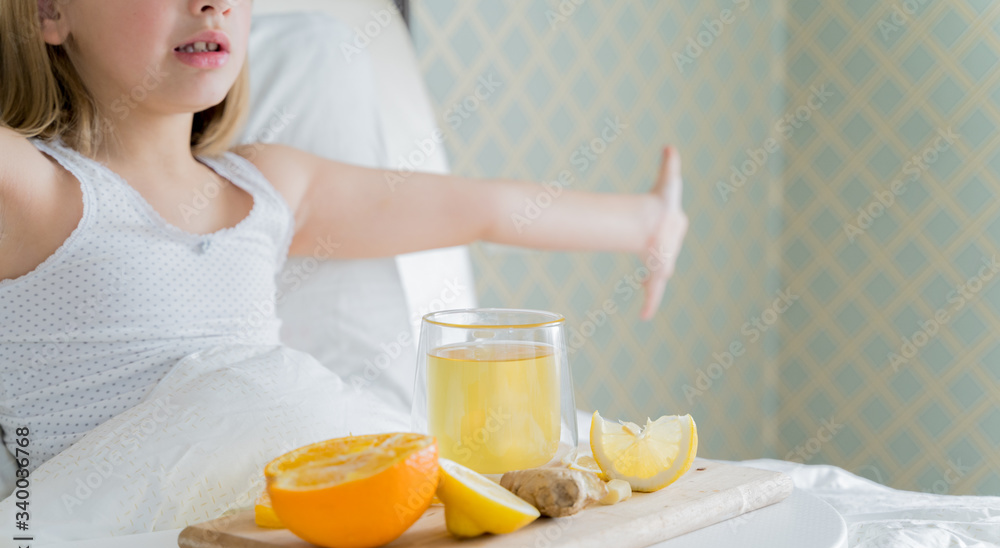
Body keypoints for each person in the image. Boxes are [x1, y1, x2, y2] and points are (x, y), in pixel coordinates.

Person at [0, 0, 689, 474]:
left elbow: (491, 209)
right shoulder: (37, 191)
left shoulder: (269, 189)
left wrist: (645, 223)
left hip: (263, 542)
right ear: (49, 12)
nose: (211, 3)